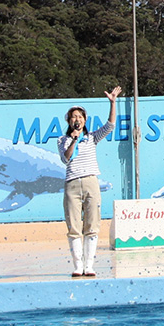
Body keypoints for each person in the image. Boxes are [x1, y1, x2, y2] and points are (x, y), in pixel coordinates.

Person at [57, 86, 122, 277]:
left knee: (92, 223)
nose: (77, 119)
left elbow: (110, 126)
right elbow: (66, 158)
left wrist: (112, 103)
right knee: (74, 226)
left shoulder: (92, 138)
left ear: (85, 120)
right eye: (73, 117)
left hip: (91, 181)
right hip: (72, 184)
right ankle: (78, 265)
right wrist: (74, 140)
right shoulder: (63, 140)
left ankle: (89, 265)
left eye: (80, 116)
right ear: (69, 121)